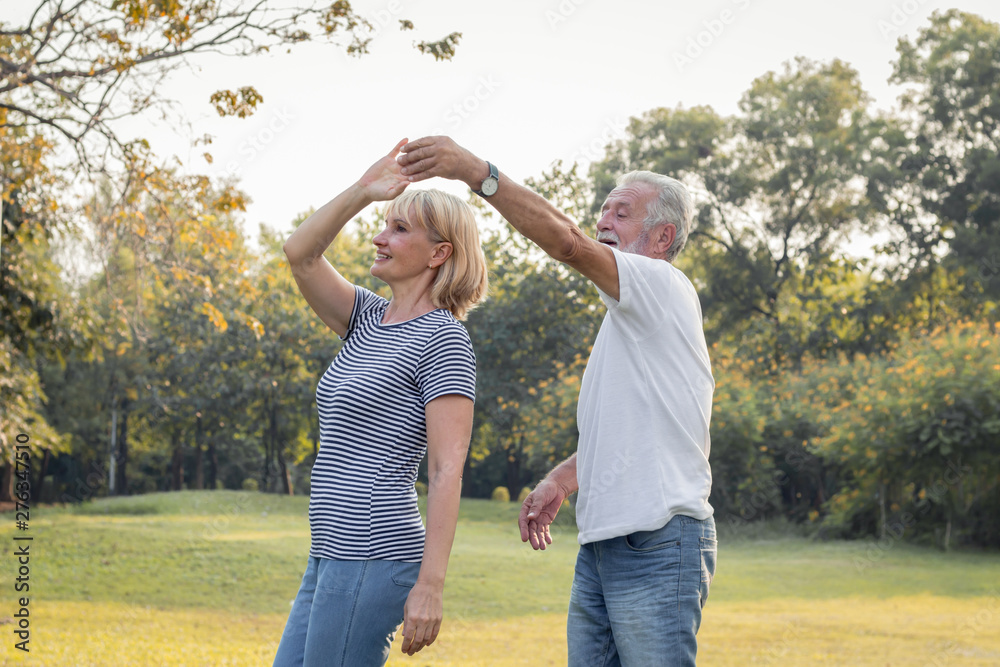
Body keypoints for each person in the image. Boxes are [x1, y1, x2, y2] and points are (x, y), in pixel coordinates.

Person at [397, 136, 716, 667]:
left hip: (658, 542)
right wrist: (564, 479)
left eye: (623, 212)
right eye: (603, 210)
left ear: (663, 237)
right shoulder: (627, 323)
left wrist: (477, 173)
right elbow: (641, 430)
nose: (603, 222)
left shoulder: (662, 285)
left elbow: (566, 242)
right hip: (603, 546)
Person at [274, 139, 488, 667]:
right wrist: (363, 192)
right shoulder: (367, 319)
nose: (378, 237)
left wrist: (431, 585)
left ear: (440, 253)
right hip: (329, 552)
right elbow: (300, 254)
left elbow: (445, 470)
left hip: (374, 553)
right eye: (384, 224)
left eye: (398, 229)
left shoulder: (444, 339)